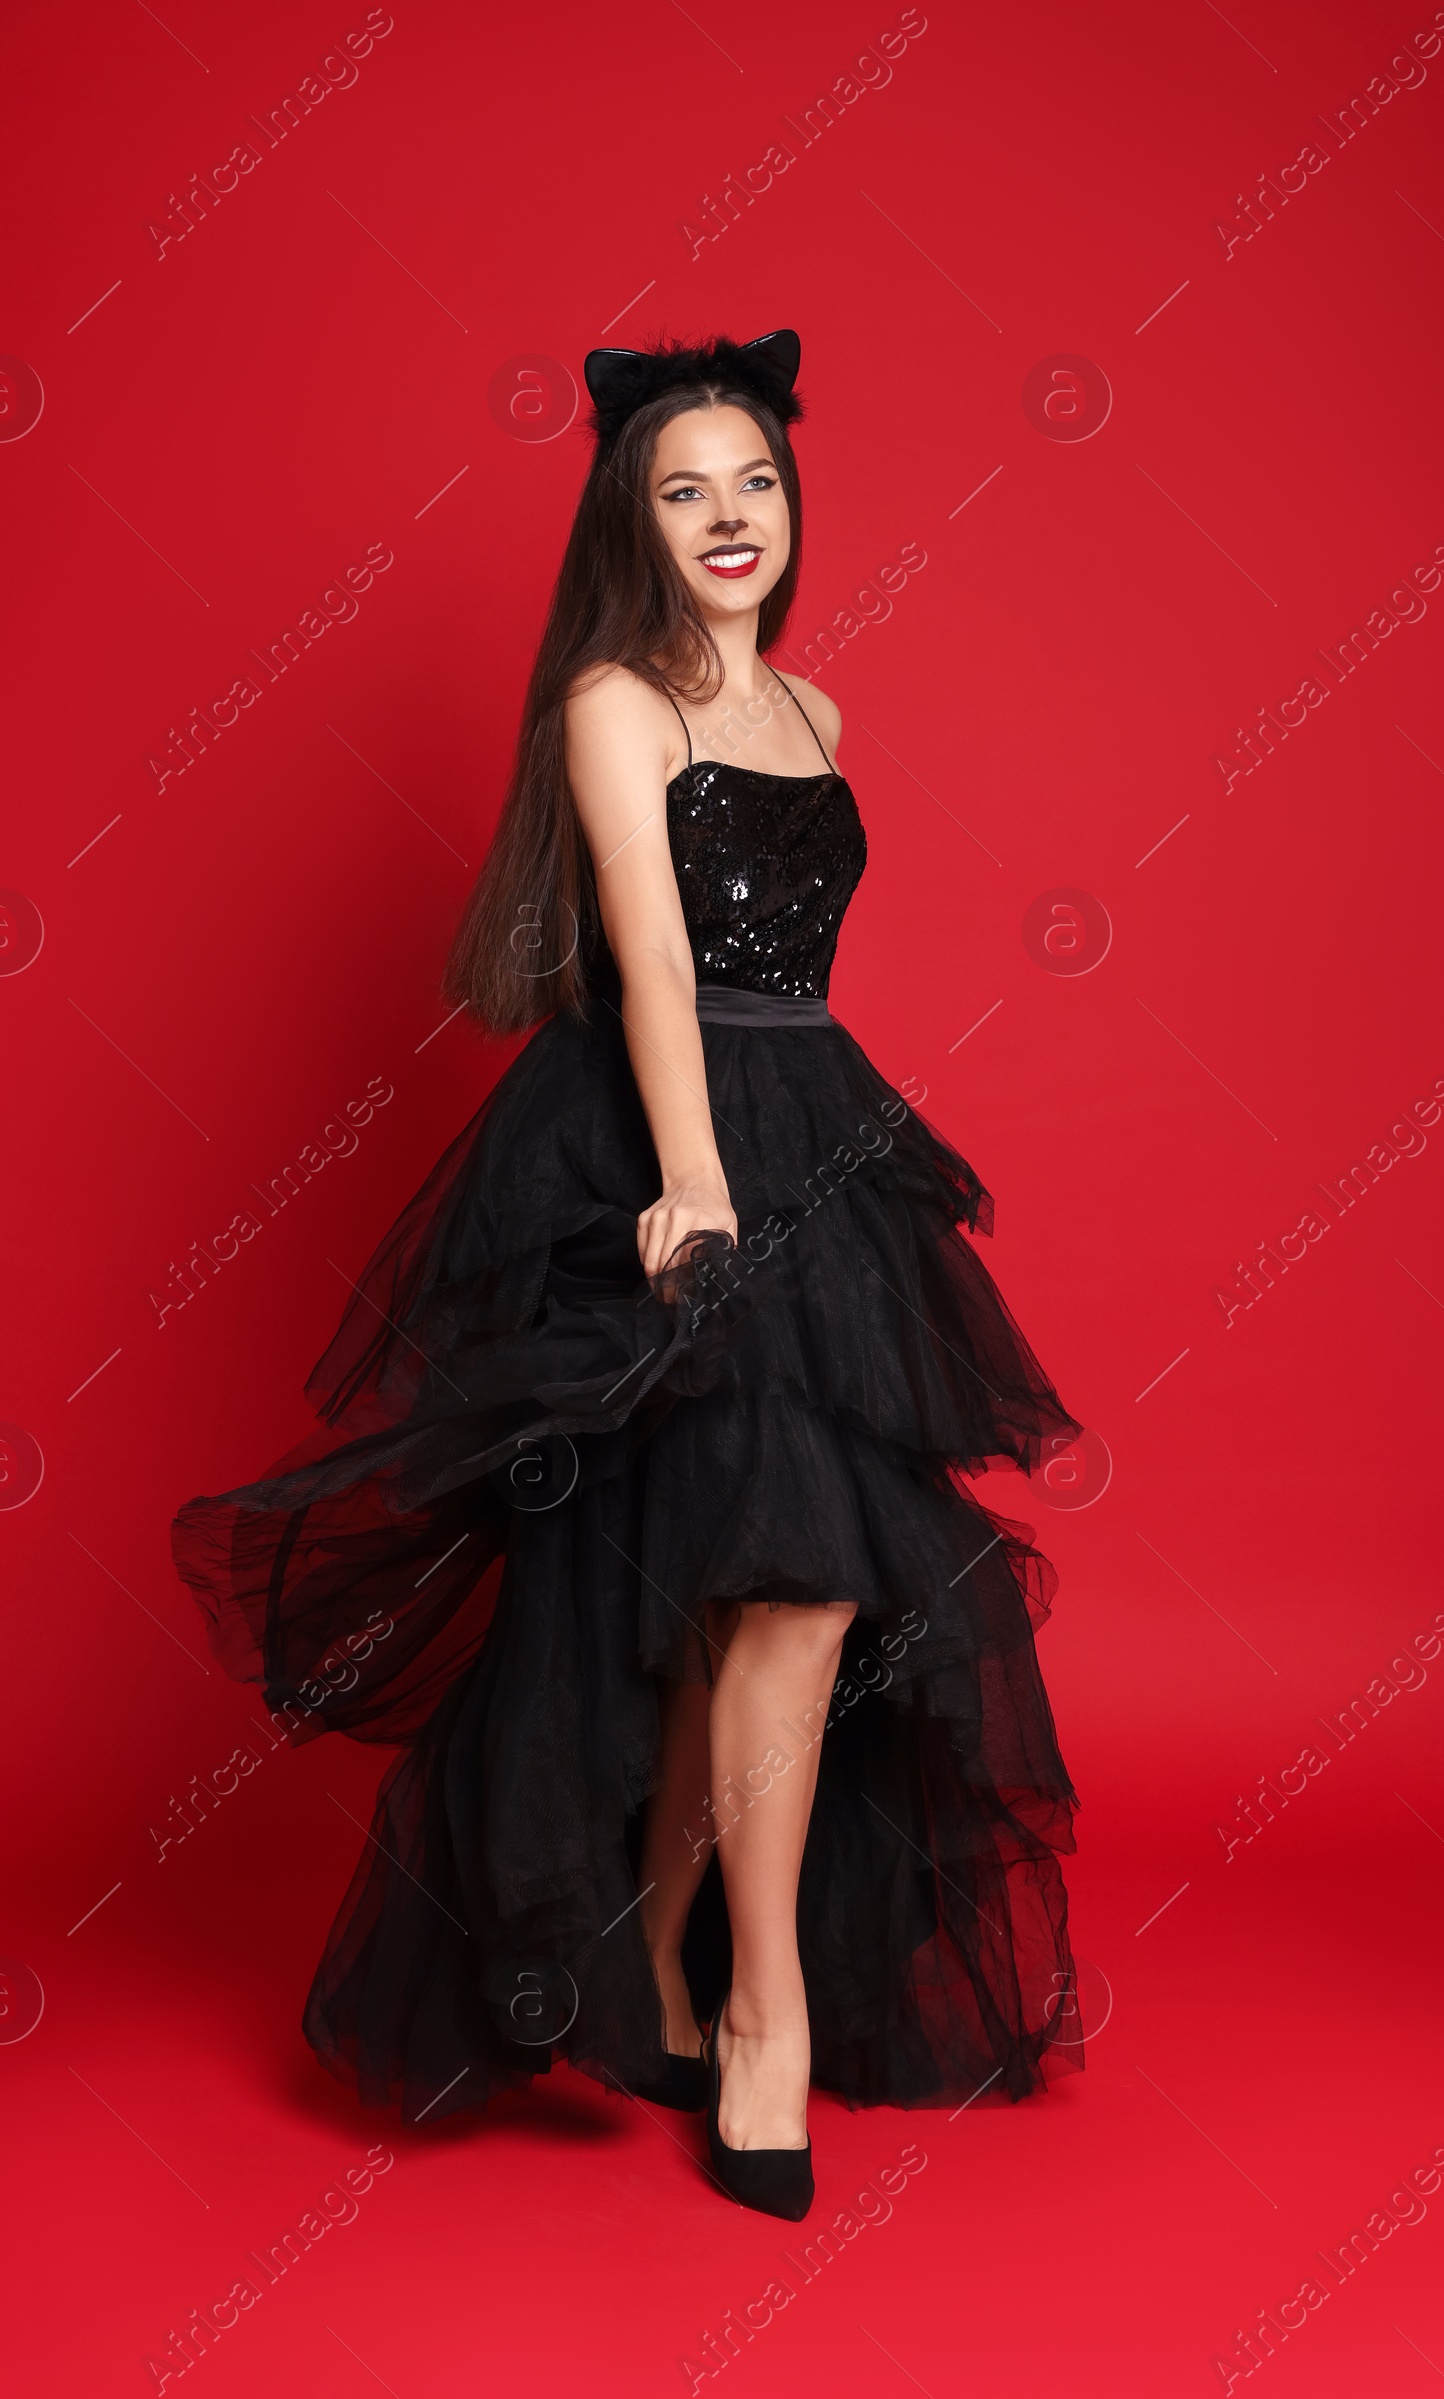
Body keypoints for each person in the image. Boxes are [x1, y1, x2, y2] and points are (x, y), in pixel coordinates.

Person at [172, 329, 1086, 2222]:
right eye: (685, 489)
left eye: (752, 480)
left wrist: (782, 1166)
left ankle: (665, 1965)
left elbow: (789, 976)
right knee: (767, 1578)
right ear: (632, 516)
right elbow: (655, 962)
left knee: (780, 1584)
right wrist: (693, 1183)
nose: (727, 516)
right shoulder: (616, 700)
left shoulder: (818, 712)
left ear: (792, 499)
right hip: (662, 1140)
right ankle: (753, 2015)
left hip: (817, 1121)